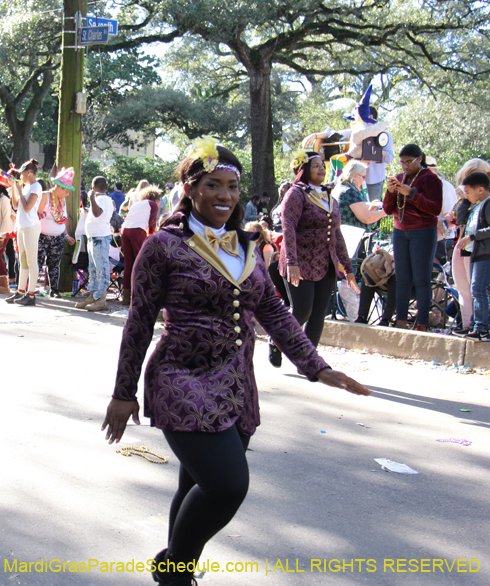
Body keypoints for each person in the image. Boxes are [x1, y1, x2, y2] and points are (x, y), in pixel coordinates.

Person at [102, 137, 370, 586]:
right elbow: (138, 323)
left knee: (195, 485)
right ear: (190, 189)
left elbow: (277, 315)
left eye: (231, 186)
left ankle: (178, 572)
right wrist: (122, 393)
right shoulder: (162, 247)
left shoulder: (247, 246)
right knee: (227, 486)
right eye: (212, 185)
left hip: (235, 387)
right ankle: (173, 569)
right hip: (179, 379)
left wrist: (317, 366)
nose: (224, 195)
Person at [276, 152, 356, 367]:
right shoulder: (295, 194)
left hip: (324, 262)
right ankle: (278, 339)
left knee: (319, 313)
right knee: (302, 311)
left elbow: (337, 234)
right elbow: (288, 228)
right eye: (316, 166)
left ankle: (307, 361)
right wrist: (292, 261)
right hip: (300, 261)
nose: (322, 169)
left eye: (323, 166)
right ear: (304, 170)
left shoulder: (330, 196)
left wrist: (347, 268)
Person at [383, 144, 443, 331]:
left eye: (409, 162)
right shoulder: (400, 179)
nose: (405, 166)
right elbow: (387, 209)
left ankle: (422, 322)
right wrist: (391, 192)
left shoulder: (431, 179)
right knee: (402, 278)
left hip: (423, 231)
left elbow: (435, 209)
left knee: (422, 278)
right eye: (402, 162)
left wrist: (412, 194)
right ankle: (400, 319)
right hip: (400, 231)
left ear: (420, 158)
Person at [331, 161, 394, 326]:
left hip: (341, 239)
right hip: (351, 241)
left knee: (344, 277)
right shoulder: (350, 192)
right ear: (354, 176)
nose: (364, 181)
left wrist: (371, 209)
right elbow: (365, 218)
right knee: (351, 277)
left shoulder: (339, 188)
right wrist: (387, 210)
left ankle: (352, 314)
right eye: (363, 177)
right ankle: (356, 316)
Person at [450, 159, 490, 335]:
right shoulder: (470, 202)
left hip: (482, 250)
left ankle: (480, 327)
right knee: (468, 288)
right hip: (468, 248)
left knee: (478, 289)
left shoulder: (487, 202)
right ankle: (470, 325)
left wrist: (472, 236)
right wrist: (465, 200)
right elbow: (460, 219)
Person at [75, 176, 115, 311]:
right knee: (93, 269)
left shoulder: (101, 199)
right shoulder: (103, 200)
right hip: (95, 237)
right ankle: (93, 296)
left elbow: (97, 213)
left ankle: (100, 299)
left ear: (93, 189)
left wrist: (91, 198)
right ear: (107, 187)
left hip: (99, 237)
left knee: (100, 269)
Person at [9, 159, 44, 306]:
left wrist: (19, 188)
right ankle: (21, 291)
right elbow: (16, 205)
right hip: (22, 226)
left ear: (30, 173)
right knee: (22, 262)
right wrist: (13, 188)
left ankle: (31, 295)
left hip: (31, 227)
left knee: (31, 261)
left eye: (23, 174)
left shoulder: (36, 186)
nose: (21, 177)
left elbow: (28, 207)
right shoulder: (26, 186)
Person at [37, 168, 76, 298]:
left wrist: (66, 235)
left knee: (54, 264)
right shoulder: (45, 196)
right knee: (37, 262)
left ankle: (54, 289)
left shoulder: (62, 201)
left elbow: (61, 220)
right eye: (65, 190)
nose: (67, 194)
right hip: (42, 236)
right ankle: (30, 289)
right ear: (58, 187)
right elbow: (36, 215)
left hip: (58, 237)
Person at [120, 184, 160, 306]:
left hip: (125, 230)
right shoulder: (152, 204)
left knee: (129, 264)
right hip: (137, 230)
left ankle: (126, 296)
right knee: (143, 263)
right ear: (156, 198)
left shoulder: (136, 203)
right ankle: (141, 295)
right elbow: (152, 225)